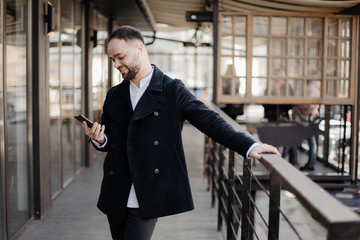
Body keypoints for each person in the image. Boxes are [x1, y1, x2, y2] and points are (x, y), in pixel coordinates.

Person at [81, 25, 280, 240]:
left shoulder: (171, 89)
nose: (116, 64)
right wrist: (100, 139)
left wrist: (248, 145)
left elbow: (209, 121)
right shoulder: (114, 95)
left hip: (147, 189)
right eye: (112, 59)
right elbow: (109, 140)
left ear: (140, 48)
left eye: (120, 57)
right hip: (117, 188)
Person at [292, 104, 320, 171]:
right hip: (302, 128)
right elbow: (295, 118)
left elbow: (317, 119)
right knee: (293, 143)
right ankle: (294, 161)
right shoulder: (298, 107)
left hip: (307, 128)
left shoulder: (313, 108)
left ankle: (311, 164)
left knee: (313, 145)